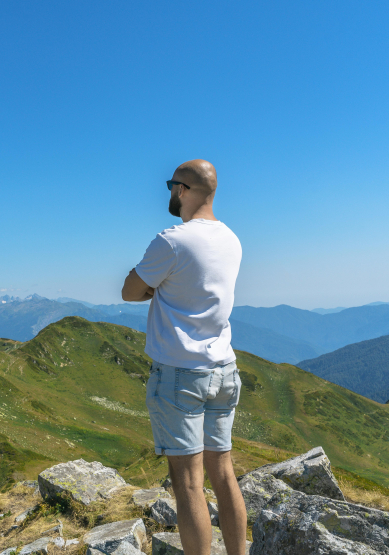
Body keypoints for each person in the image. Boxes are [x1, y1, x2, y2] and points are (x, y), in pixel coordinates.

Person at [121, 159, 246, 555]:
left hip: (181, 374)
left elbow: (130, 290)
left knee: (189, 483)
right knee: (223, 474)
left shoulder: (172, 240)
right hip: (223, 369)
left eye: (171, 186)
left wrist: (157, 289)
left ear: (181, 190)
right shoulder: (232, 239)